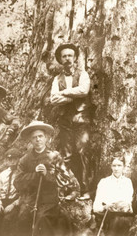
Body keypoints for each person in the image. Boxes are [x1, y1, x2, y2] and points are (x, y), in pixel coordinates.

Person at [15, 120, 71, 236]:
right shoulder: (24, 159)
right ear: (30, 140)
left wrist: (47, 175)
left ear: (46, 138)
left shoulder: (54, 156)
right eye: (34, 137)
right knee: (22, 218)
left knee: (42, 220)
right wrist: (35, 175)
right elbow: (18, 182)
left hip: (49, 201)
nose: (38, 139)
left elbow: (65, 180)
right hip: (30, 200)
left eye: (40, 136)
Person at [50, 43, 92, 198]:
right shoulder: (57, 79)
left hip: (81, 120)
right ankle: (67, 189)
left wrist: (65, 93)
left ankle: (86, 189)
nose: (67, 59)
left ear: (75, 58)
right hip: (65, 122)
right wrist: (70, 97)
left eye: (70, 56)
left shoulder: (83, 74)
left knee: (83, 153)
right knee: (65, 156)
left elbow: (83, 90)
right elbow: (53, 99)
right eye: (64, 56)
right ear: (60, 60)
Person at [93, 154, 134, 236]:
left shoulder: (127, 182)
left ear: (124, 167)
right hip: (107, 217)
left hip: (124, 218)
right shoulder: (104, 182)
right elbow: (96, 207)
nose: (116, 168)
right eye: (114, 165)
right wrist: (105, 207)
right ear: (111, 166)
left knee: (122, 220)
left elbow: (128, 204)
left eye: (119, 165)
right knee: (115, 221)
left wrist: (122, 206)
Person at [0, 148, 22, 236]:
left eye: (14, 159)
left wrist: (13, 205)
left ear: (19, 159)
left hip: (15, 202)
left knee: (8, 219)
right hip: (3, 202)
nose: (12, 161)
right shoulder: (3, 174)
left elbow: (24, 193)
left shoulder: (21, 174)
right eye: (9, 159)